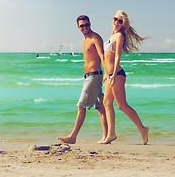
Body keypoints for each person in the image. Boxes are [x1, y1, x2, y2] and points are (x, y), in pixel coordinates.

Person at [58, 15, 108, 144]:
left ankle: (73, 136)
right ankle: (107, 136)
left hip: (94, 76)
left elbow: (102, 55)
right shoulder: (85, 40)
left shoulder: (95, 38)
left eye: (86, 24)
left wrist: (107, 73)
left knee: (81, 106)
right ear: (78, 27)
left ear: (90, 24)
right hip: (89, 77)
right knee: (100, 107)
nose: (85, 27)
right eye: (82, 25)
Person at [102, 10, 149, 145]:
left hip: (117, 74)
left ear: (123, 24)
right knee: (106, 103)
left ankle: (142, 129)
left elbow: (117, 56)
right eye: (115, 19)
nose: (116, 22)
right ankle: (111, 134)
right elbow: (106, 57)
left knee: (121, 105)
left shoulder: (119, 36)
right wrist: (106, 73)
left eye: (120, 21)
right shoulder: (112, 35)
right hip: (110, 74)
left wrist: (114, 74)